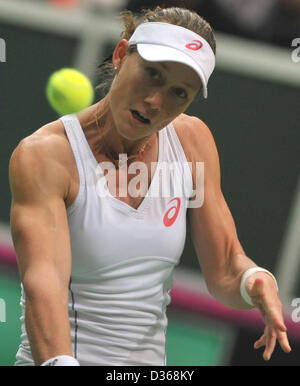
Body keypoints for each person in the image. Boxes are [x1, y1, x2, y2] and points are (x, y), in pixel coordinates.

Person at [9, 6, 291, 366]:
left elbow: (224, 267)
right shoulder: (46, 155)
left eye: (179, 93)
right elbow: (43, 284)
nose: (156, 101)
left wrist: (253, 280)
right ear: (120, 55)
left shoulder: (192, 141)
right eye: (152, 74)